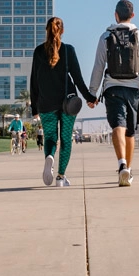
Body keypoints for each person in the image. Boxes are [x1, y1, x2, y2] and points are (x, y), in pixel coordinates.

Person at [88, 0, 139, 187]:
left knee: (117, 126)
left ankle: (121, 165)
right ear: (133, 15)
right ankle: (127, 169)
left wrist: (92, 92)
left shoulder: (106, 36)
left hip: (112, 87)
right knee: (130, 131)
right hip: (135, 88)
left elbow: (98, 65)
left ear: (115, 15)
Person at [30, 17, 97, 187]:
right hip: (67, 104)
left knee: (51, 137)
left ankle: (49, 157)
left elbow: (33, 81)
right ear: (62, 31)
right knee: (66, 139)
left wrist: (34, 107)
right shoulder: (68, 50)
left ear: (46, 30)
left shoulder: (38, 51)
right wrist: (90, 98)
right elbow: (78, 78)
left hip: (45, 103)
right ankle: (60, 177)